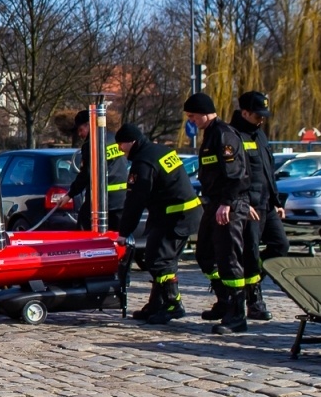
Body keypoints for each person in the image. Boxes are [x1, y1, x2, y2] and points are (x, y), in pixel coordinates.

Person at [116, 123, 202, 324]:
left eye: (122, 144)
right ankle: (156, 303)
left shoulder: (143, 162)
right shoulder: (160, 150)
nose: (120, 149)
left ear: (132, 142)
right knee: (160, 258)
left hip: (175, 216)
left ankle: (173, 305)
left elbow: (135, 201)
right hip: (182, 213)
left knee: (160, 261)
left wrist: (124, 232)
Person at [187, 93, 251, 334]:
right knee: (204, 254)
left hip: (229, 205)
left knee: (228, 258)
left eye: (193, 116)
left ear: (205, 112)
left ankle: (237, 314)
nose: (191, 121)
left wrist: (226, 203)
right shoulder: (210, 134)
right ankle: (224, 300)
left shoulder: (224, 135)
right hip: (214, 203)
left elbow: (236, 174)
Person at [229, 91, 285, 322]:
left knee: (280, 245)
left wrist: (276, 201)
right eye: (257, 115)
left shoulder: (259, 134)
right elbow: (234, 175)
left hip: (267, 204)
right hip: (249, 206)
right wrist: (243, 203)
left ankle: (251, 282)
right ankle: (254, 301)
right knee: (250, 251)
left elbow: (267, 171)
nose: (261, 119)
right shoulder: (234, 136)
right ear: (245, 113)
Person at [66, 109, 129, 233]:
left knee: (84, 231)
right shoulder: (115, 139)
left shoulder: (91, 144)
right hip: (121, 199)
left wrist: (70, 194)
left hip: (100, 200)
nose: (80, 134)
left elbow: (87, 173)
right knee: (118, 236)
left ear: (88, 125)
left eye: (80, 129)